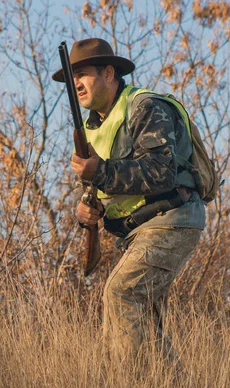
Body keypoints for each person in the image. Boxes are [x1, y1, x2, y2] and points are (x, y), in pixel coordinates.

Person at [52, 38, 206, 364]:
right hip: (141, 229)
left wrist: (101, 171)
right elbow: (99, 193)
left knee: (121, 294)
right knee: (147, 324)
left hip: (171, 217)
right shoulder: (94, 128)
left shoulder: (145, 107)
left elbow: (161, 173)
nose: (75, 84)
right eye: (71, 78)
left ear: (109, 72)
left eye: (82, 74)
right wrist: (86, 212)